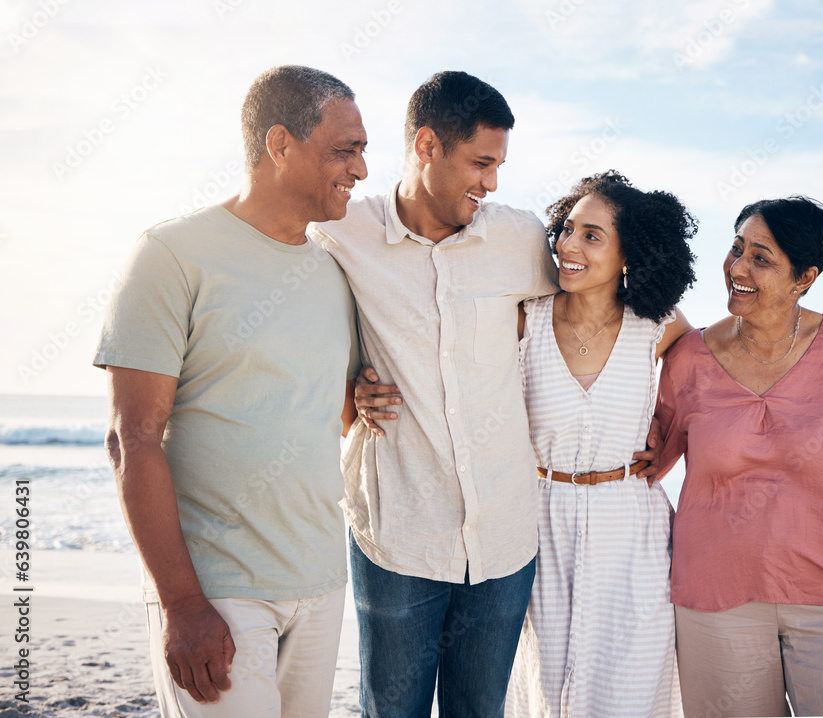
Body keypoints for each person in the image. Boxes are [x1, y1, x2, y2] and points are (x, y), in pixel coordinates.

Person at [94, 65, 367, 717]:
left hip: (322, 583)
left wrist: (371, 401)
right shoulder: (172, 253)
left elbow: (335, 410)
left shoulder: (336, 270)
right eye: (344, 150)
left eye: (361, 151)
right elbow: (131, 437)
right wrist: (183, 603)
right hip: (216, 591)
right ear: (279, 145)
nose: (360, 170)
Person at [309, 71, 559, 717]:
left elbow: (605, 313)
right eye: (480, 162)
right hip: (400, 533)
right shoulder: (343, 232)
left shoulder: (522, 238)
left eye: (499, 166)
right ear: (426, 146)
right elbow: (294, 322)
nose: (492, 182)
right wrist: (349, 386)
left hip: (503, 538)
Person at [652, 196, 823, 717]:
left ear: (804, 278)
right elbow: (646, 462)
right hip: (715, 602)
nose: (737, 268)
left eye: (761, 259)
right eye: (736, 248)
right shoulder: (689, 358)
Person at [504, 171, 697, 717]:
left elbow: (716, 377)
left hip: (632, 529)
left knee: (632, 689)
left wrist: (671, 438)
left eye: (592, 236)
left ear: (628, 255)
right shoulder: (526, 319)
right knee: (544, 691)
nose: (568, 245)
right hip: (541, 524)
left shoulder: (656, 326)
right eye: (567, 229)